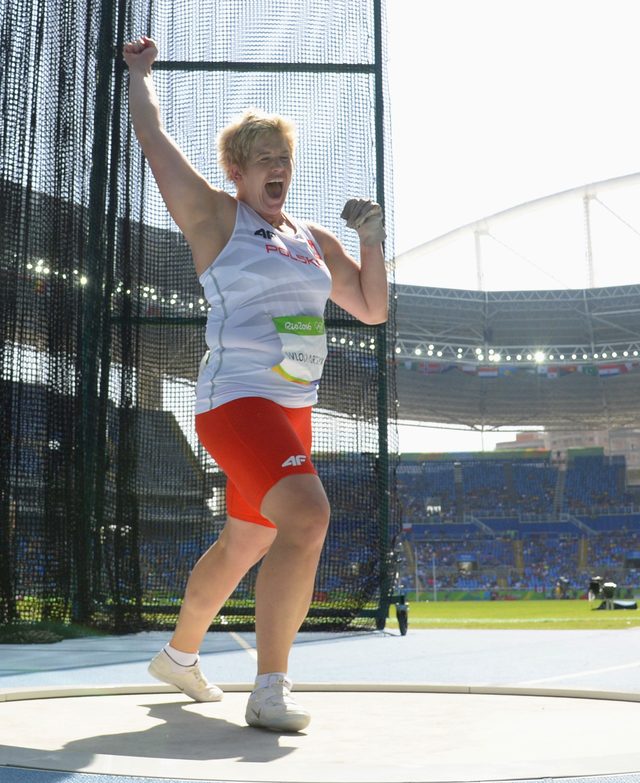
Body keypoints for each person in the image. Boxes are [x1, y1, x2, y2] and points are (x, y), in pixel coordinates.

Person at [122, 35, 388, 732]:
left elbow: (372, 307)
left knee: (247, 543)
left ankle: (179, 656)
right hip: (237, 401)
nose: (280, 167)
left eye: (285, 158)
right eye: (265, 157)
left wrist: (370, 240)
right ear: (237, 171)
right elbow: (152, 141)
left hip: (292, 410)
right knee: (308, 517)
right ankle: (271, 688)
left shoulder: (311, 239)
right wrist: (139, 73)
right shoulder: (217, 216)